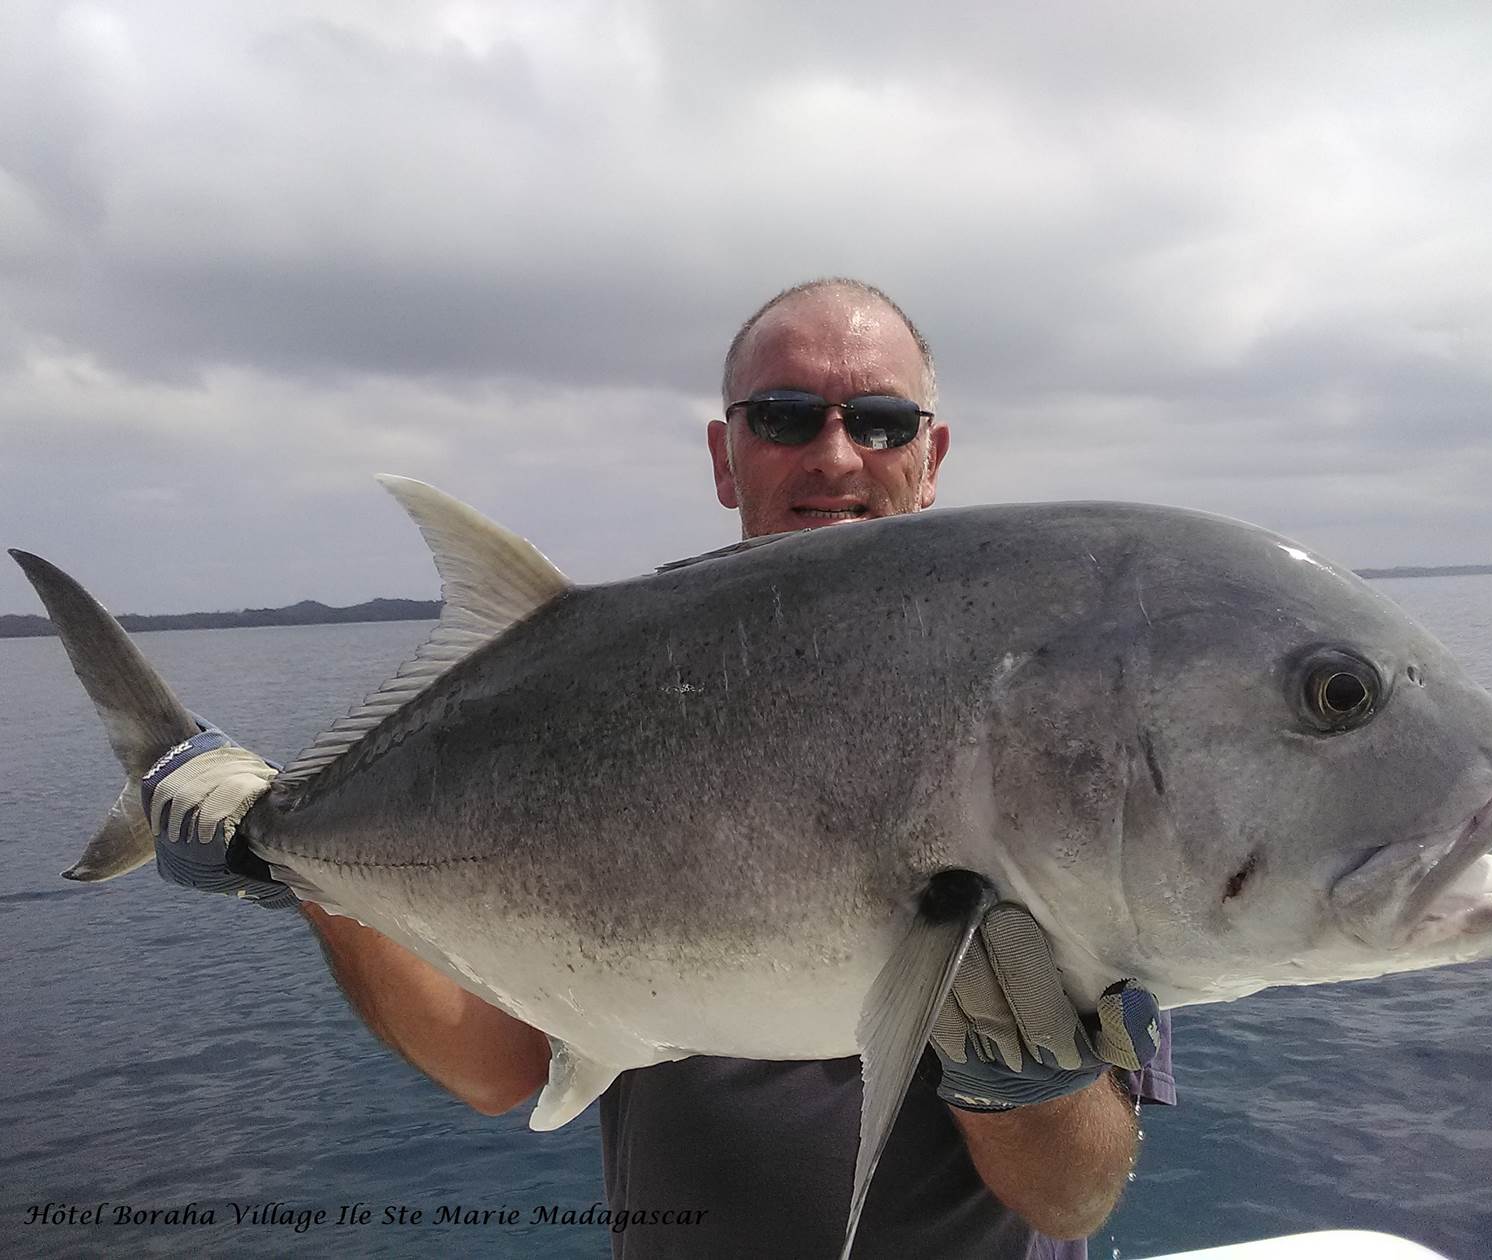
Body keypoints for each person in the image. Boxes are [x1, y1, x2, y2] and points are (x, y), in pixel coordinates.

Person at [143, 278, 1174, 1259]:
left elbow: (1073, 1195)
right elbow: (500, 1067)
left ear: (930, 453)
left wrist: (1032, 1084)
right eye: (782, 416)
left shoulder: (1043, 729)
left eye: (879, 420)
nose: (836, 455)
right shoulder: (599, 697)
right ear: (727, 456)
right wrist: (298, 868)